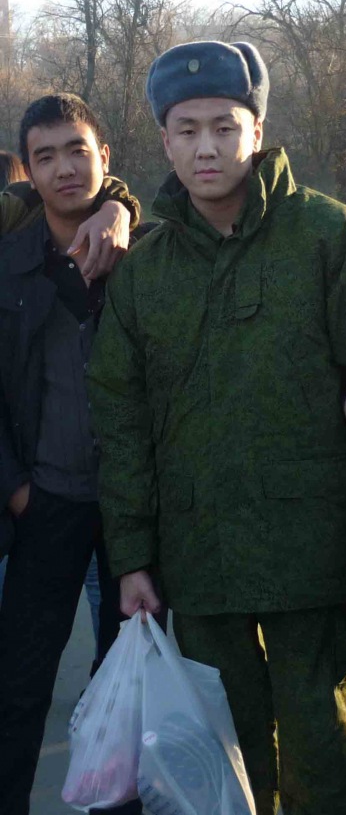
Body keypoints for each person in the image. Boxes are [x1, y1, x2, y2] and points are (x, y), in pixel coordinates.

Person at [86, 40, 346, 815]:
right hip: (198, 563)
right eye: (186, 130)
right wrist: (132, 556)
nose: (205, 147)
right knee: (223, 767)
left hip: (309, 556)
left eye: (224, 126)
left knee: (323, 755)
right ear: (164, 139)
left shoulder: (328, 237)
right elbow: (122, 420)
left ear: (257, 129)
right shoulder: (146, 269)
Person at [0, 93, 143, 815]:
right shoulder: (9, 264)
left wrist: (122, 212)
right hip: (45, 501)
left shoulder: (146, 257)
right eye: (46, 156)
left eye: (77, 150)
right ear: (28, 171)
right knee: (19, 686)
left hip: (134, 510)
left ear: (103, 157)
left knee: (127, 684)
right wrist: (15, 487)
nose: (64, 168)